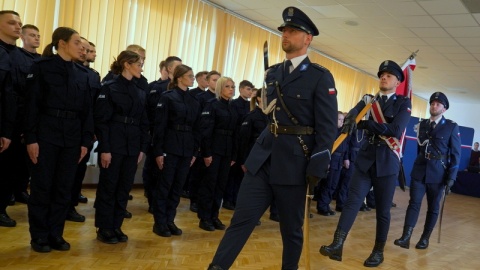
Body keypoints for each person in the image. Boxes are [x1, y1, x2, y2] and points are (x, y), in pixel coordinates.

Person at [208, 6, 338, 270]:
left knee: (291, 231)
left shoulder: (320, 76)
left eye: (292, 31)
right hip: (263, 159)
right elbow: (270, 115)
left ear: (307, 38)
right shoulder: (273, 73)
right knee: (241, 222)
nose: (285, 35)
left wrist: (317, 165)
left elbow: (326, 128)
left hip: (294, 163)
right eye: (284, 31)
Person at [320, 60, 411, 267]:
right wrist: (352, 119)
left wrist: (367, 124)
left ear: (397, 81)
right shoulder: (369, 99)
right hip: (365, 160)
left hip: (387, 163)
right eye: (381, 75)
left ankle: (378, 252)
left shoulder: (403, 103)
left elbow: (396, 130)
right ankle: (337, 244)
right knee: (352, 202)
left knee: (383, 210)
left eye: (388, 75)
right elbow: (353, 115)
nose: (383, 78)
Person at [24, 26, 94, 252]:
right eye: (77, 43)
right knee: (42, 187)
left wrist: (85, 142)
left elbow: (87, 112)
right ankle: (39, 236)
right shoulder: (41, 68)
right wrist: (31, 138)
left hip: (72, 138)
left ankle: (56, 234)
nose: (81, 48)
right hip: (46, 134)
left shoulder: (83, 75)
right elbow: (31, 105)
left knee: (64, 189)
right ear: (62, 43)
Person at [93, 50, 149, 244]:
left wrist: (142, 148)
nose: (142, 68)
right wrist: (105, 149)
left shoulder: (140, 91)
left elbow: (144, 122)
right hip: (114, 144)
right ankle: (104, 227)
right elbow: (102, 122)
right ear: (127, 64)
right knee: (109, 186)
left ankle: (116, 225)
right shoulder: (109, 87)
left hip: (132, 146)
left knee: (124, 188)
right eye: (139, 64)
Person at [394, 92, 460, 250]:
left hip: (438, 174)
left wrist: (452, 177)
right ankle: (406, 237)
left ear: (444, 109)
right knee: (413, 204)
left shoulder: (451, 126)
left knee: (433, 207)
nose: (434, 106)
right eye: (432, 103)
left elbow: (456, 154)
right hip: (420, 171)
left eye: (438, 104)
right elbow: (420, 148)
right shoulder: (422, 124)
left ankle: (425, 238)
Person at [151, 64, 201, 237]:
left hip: (186, 148)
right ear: (179, 78)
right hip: (170, 147)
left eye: (193, 75)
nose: (193, 78)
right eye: (190, 75)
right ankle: (160, 222)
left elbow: (197, 129)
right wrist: (158, 152)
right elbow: (159, 127)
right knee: (165, 186)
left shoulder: (194, 100)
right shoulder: (168, 97)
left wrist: (195, 152)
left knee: (177, 187)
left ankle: (170, 220)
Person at [66, 37, 100, 223]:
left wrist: (93, 130)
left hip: (85, 130)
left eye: (89, 50)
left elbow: (94, 107)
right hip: (65, 128)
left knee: (78, 172)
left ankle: (70, 206)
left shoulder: (93, 75)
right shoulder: (63, 70)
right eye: (84, 49)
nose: (86, 52)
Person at [197, 76, 238, 232]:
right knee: (209, 185)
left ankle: (214, 216)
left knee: (220, 186)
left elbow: (236, 134)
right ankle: (204, 218)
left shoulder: (233, 107)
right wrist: (206, 153)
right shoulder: (212, 105)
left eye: (233, 86)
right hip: (214, 151)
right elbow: (206, 132)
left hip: (227, 152)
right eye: (228, 86)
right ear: (220, 88)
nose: (231, 89)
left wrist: (234, 155)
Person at [143, 56, 182, 213]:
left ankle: (165, 203)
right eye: (178, 66)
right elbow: (148, 111)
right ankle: (153, 201)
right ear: (170, 68)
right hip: (156, 133)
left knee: (169, 173)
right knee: (153, 169)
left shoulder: (181, 90)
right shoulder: (155, 86)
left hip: (173, 137)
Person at [0, 10, 23, 227]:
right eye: (12, 23)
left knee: (9, 169)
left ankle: (1, 208)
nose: (17, 27)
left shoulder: (21, 57)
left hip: (15, 122)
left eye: (19, 23)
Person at [188, 70, 221, 213]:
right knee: (198, 173)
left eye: (219, 80)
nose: (216, 83)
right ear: (207, 82)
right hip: (202, 142)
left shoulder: (222, 100)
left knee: (211, 177)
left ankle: (208, 202)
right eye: (214, 80)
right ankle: (194, 200)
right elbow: (198, 122)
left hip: (216, 144)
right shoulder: (201, 98)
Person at [223, 79, 254, 210]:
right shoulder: (234, 104)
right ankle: (228, 199)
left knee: (241, 175)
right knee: (233, 173)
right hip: (235, 139)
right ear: (241, 90)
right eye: (248, 89)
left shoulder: (250, 106)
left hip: (246, 142)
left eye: (251, 90)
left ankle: (236, 199)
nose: (250, 92)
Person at [316, 111, 348, 216]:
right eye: (339, 119)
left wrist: (345, 159)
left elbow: (346, 147)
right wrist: (327, 161)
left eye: (343, 120)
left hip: (339, 160)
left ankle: (326, 205)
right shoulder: (330, 132)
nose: (341, 122)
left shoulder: (343, 132)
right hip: (332, 159)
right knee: (327, 184)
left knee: (333, 185)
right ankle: (322, 206)